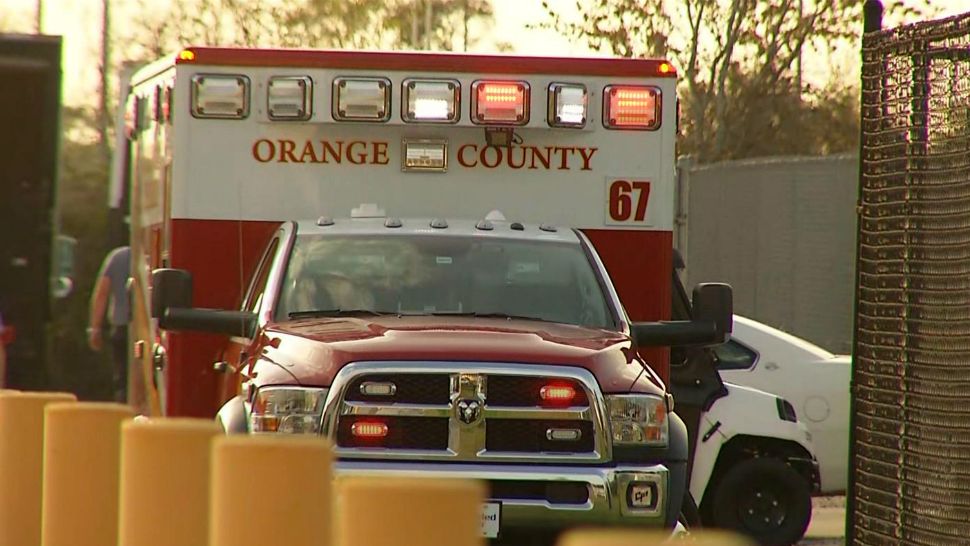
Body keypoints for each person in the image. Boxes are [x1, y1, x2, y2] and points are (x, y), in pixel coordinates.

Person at [87, 246, 131, 403]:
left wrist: (95, 328)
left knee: (122, 379)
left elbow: (101, 294)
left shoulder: (117, 257)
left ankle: (122, 415)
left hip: (121, 327)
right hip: (144, 329)